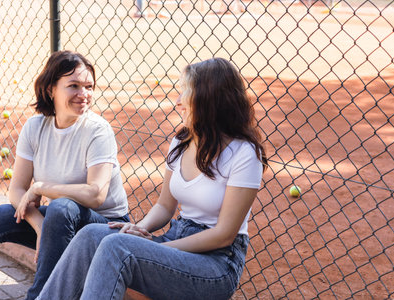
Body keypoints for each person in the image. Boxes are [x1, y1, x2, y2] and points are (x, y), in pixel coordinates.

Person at [37, 57, 267, 300]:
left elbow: (224, 234)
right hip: (177, 239)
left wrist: (155, 249)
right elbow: (164, 206)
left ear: (209, 99)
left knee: (117, 248)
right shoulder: (182, 141)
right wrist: (138, 229)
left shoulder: (245, 153)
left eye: (186, 93)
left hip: (216, 263)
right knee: (91, 235)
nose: (179, 101)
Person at [0, 50, 129, 299]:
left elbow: (96, 194)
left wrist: (41, 187)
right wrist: (40, 225)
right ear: (51, 88)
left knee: (61, 207)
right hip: (58, 224)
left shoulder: (98, 130)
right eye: (73, 85)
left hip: (107, 226)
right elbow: (17, 190)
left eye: (88, 86)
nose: (83, 94)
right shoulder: (36, 127)